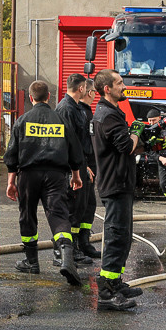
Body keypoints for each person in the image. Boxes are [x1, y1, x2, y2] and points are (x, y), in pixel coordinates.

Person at [4, 80, 84, 285]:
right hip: (56, 175)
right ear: (49, 97)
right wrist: (76, 175)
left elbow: (12, 155)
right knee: (58, 214)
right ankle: (67, 257)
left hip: (28, 175)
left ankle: (32, 262)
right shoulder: (60, 119)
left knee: (27, 215)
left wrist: (11, 182)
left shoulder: (22, 120)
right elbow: (75, 151)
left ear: (31, 98)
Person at [91, 68, 145, 311]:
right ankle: (105, 293)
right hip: (114, 184)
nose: (124, 86)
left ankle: (116, 283)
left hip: (120, 183)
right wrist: (135, 132)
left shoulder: (112, 112)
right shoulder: (108, 115)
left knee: (123, 236)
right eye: (120, 83)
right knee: (115, 238)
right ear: (107, 89)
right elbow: (125, 146)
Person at [55, 74, 95, 266]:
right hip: (73, 166)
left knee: (80, 209)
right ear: (81, 89)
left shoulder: (77, 108)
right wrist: (78, 167)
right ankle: (64, 253)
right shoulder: (66, 109)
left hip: (80, 163)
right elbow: (70, 141)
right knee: (72, 210)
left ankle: (76, 249)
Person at [76, 79, 101, 259]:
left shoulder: (86, 112)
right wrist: (82, 166)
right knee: (78, 207)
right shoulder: (79, 112)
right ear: (88, 92)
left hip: (90, 166)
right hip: (82, 167)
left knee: (89, 205)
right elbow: (76, 143)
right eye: (93, 92)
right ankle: (76, 246)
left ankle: (84, 242)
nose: (94, 95)